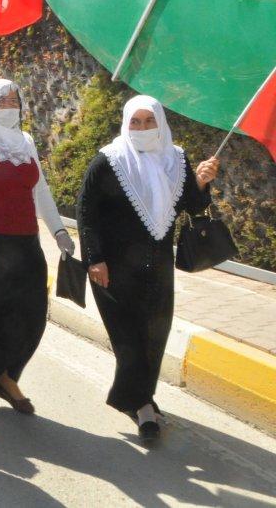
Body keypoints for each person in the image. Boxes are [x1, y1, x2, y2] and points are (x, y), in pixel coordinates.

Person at [77, 95, 218, 443]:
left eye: (148, 121)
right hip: (111, 268)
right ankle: (142, 407)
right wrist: (94, 259)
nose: (141, 128)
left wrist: (200, 182)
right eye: (135, 122)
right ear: (125, 124)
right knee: (128, 340)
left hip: (157, 267)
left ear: (160, 123)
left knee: (154, 336)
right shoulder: (108, 162)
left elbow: (192, 205)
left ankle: (139, 398)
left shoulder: (176, 160)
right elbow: (86, 214)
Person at [0, 29, 74, 416]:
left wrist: (58, 231)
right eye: (1, 98)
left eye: (13, 99)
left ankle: (6, 374)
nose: (8, 104)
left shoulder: (25, 142)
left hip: (23, 244)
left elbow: (41, 190)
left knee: (30, 316)